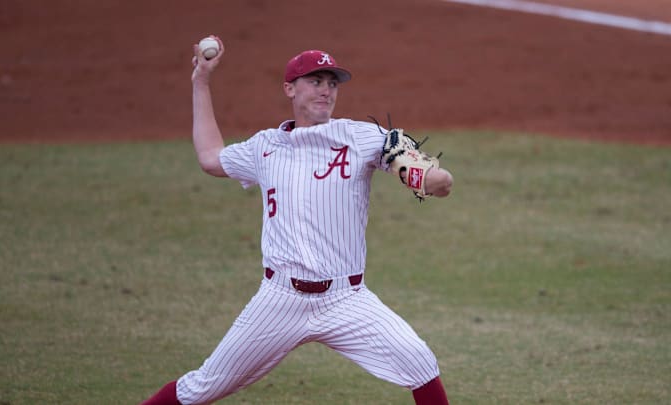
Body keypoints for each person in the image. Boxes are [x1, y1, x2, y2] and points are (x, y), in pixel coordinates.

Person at [140, 35, 454, 405]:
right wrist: (201, 81)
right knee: (201, 387)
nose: (326, 91)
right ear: (289, 88)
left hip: (346, 299)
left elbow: (441, 182)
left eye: (332, 83)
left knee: (419, 363)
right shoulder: (265, 147)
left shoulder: (363, 138)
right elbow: (211, 157)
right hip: (279, 300)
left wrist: (425, 175)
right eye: (316, 81)